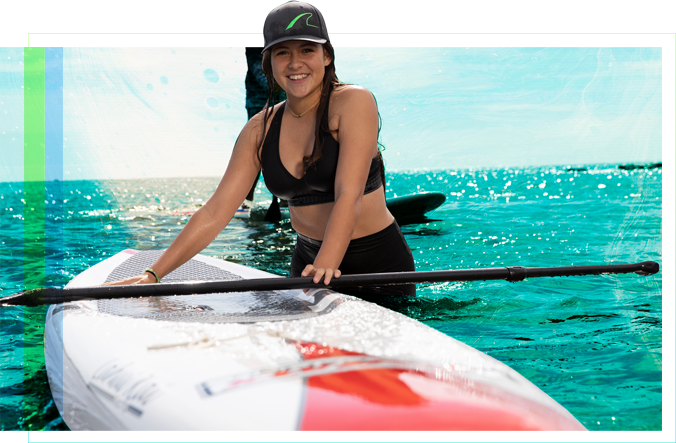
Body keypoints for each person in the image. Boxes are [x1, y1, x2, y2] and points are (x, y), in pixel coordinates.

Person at [107, 2, 415, 296]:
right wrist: (154, 274)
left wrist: (328, 264)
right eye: (283, 53)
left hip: (377, 266)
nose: (295, 63)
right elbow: (215, 213)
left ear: (326, 56)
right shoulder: (259, 129)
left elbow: (349, 195)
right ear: (268, 62)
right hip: (308, 264)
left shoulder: (353, 102)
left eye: (307, 49)